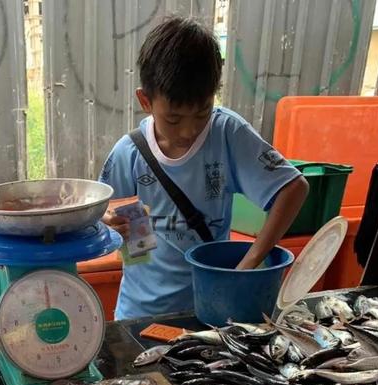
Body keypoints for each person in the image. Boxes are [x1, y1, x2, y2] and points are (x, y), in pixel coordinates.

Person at [100, 16, 309, 321]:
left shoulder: (227, 133)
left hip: (212, 312)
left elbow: (294, 188)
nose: (188, 131)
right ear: (145, 100)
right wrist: (109, 222)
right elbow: (110, 226)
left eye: (202, 114)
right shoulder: (130, 152)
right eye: (173, 119)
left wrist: (248, 264)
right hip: (140, 316)